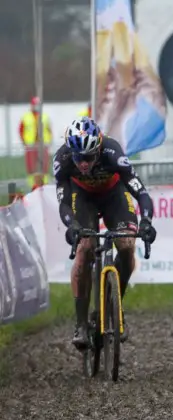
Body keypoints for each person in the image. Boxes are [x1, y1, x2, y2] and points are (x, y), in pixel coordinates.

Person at [53, 116, 157, 349]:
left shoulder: (112, 152)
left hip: (113, 195)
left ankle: (115, 308)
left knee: (127, 246)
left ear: (98, 148)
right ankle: (81, 324)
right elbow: (63, 202)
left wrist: (147, 221)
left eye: (88, 157)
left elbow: (140, 191)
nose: (83, 164)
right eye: (79, 158)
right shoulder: (63, 158)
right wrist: (72, 226)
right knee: (85, 249)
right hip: (83, 198)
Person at [18, 96, 53, 190]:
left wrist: (49, 142)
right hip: (31, 146)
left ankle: (44, 186)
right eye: (35, 105)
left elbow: (49, 130)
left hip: (43, 146)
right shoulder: (26, 117)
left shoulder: (45, 116)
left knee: (44, 167)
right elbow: (21, 130)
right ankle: (32, 187)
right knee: (31, 168)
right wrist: (24, 142)